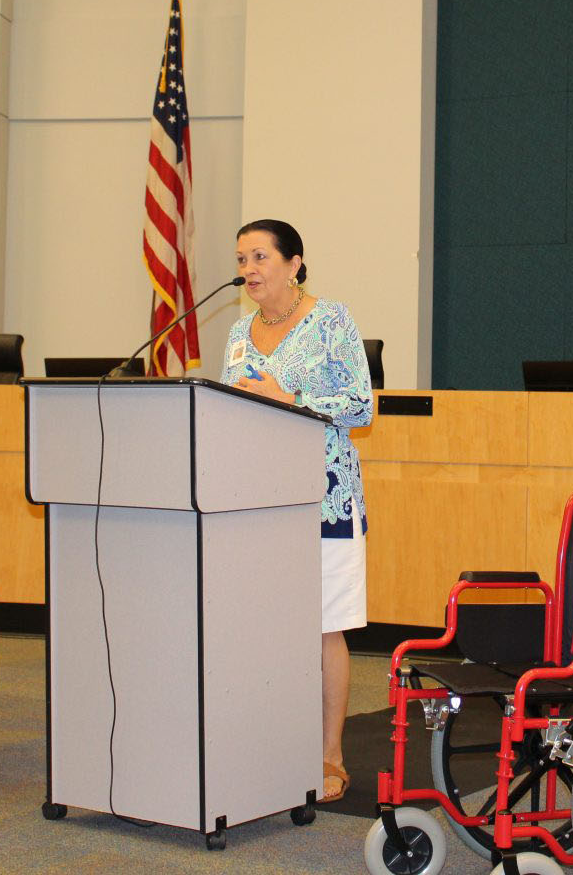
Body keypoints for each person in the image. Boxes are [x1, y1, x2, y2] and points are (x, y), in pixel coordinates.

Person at [220, 218, 373, 805]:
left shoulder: (332, 320)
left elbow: (361, 407)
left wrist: (291, 399)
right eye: (241, 260)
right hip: (255, 501)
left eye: (260, 257)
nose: (248, 270)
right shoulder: (237, 332)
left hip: (324, 497)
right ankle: (270, 745)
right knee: (262, 626)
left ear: (294, 263)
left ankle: (329, 755)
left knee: (322, 627)